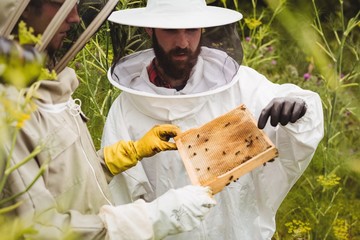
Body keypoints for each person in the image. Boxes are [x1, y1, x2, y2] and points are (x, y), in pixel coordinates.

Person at [101, 0, 324, 239]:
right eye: (171, 30)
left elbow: (300, 114)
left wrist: (299, 108)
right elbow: (119, 202)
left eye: (191, 29)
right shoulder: (127, 109)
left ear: (202, 29)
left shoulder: (239, 84)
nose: (183, 42)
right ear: (150, 29)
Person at [0, 0, 216, 239]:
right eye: (60, 4)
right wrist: (154, 217)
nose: (75, 18)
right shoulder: (6, 114)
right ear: (23, 9)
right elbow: (38, 230)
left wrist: (127, 154)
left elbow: (62, 180)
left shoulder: (49, 87)